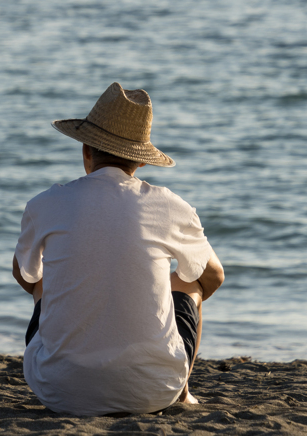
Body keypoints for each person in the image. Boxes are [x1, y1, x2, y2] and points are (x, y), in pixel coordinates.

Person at [12, 82, 224, 416]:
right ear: (141, 162)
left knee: (43, 282)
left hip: (58, 392)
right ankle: (182, 392)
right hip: (155, 392)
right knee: (189, 280)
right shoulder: (170, 206)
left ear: (86, 150)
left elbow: (24, 274)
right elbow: (213, 275)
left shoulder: (46, 204)